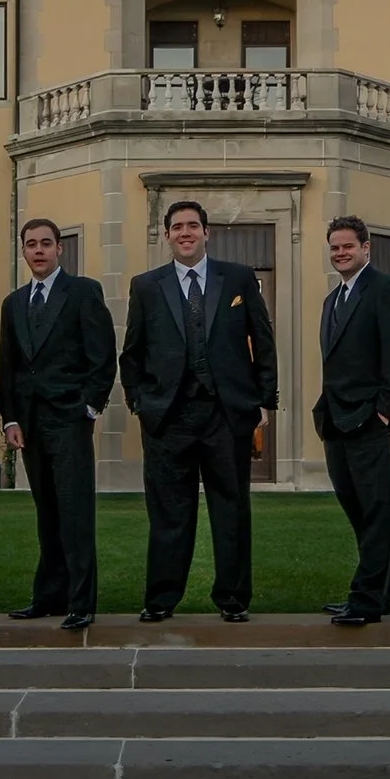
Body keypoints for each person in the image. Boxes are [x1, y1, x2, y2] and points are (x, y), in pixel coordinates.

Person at [117, 199, 277, 622]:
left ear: (207, 232)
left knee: (231, 510)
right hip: (168, 418)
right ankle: (161, 599)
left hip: (226, 415)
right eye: (176, 227)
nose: (185, 232)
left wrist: (265, 400)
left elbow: (263, 342)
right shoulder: (147, 285)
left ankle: (233, 599)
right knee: (169, 512)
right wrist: (140, 403)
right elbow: (131, 353)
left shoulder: (238, 278)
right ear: (167, 235)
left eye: (193, 225)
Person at [0, 217, 115, 630]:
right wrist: (10, 419)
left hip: (69, 420)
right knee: (46, 513)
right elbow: (8, 367)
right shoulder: (13, 304)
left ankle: (81, 603)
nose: (39, 250)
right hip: (29, 425)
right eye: (31, 244)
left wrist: (89, 408)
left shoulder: (83, 292)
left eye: (46, 243)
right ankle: (48, 597)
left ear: (59, 248)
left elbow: (102, 356)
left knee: (75, 513)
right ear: (24, 251)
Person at [312, 215, 390, 626]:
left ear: (366, 248)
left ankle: (367, 597)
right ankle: (378, 593)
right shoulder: (331, 299)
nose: (340, 253)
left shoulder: (386, 289)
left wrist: (386, 411)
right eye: (335, 247)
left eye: (348, 246)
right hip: (335, 420)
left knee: (376, 511)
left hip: (368, 419)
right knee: (358, 510)